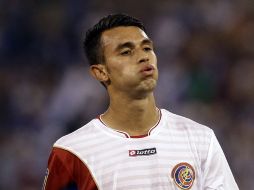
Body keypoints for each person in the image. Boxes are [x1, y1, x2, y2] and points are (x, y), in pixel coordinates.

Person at [43, 14, 239, 190]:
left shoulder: (201, 139)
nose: (143, 56)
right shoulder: (72, 152)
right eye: (126, 52)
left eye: (147, 48)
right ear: (100, 72)